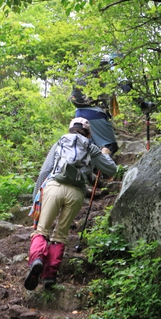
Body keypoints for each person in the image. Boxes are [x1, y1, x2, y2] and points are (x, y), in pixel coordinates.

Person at [24, 117, 117, 291]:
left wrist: (36, 193)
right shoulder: (91, 147)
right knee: (60, 234)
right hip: (76, 192)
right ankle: (50, 275)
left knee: (42, 230)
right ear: (89, 134)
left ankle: (37, 260)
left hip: (54, 186)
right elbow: (111, 170)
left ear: (70, 130)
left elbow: (45, 170)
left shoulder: (60, 142)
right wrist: (105, 154)